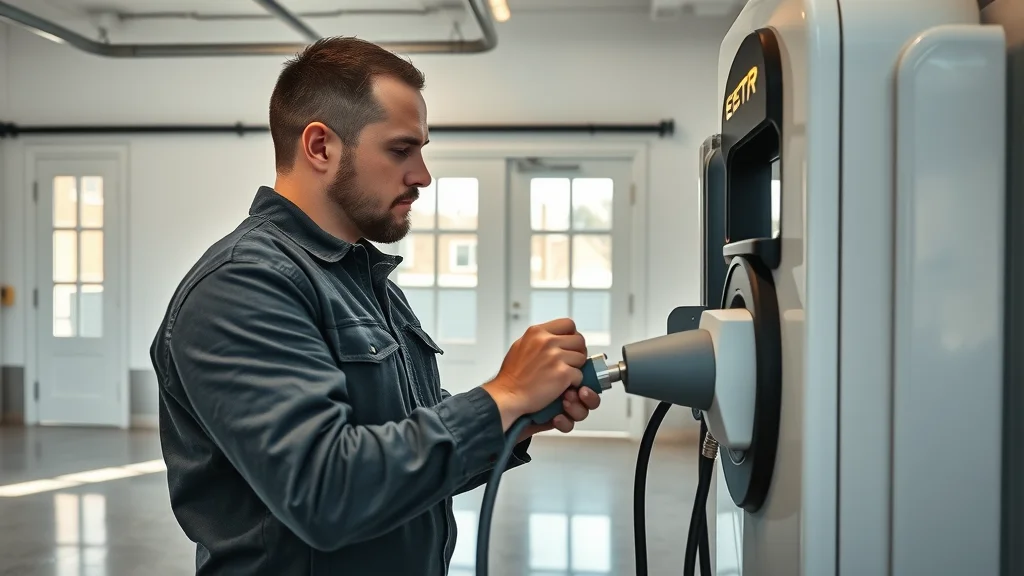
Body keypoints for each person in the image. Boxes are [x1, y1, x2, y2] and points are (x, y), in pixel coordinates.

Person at [150, 36, 602, 575]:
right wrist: (501, 395)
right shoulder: (243, 285)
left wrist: (519, 416)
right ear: (320, 147)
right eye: (399, 149)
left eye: (421, 150)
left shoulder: (363, 279)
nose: (422, 175)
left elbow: (405, 446)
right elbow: (325, 491)